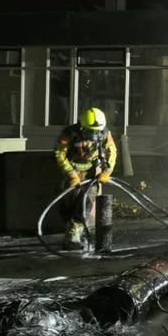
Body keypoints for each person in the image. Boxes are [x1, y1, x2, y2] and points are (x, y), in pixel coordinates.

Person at [54, 107, 118, 250]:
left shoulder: (105, 133)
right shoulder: (69, 133)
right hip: (72, 171)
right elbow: (59, 154)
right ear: (81, 126)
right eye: (89, 132)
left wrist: (106, 171)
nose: (93, 135)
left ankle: (74, 233)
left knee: (86, 202)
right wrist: (71, 174)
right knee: (68, 204)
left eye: (96, 132)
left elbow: (112, 153)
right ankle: (70, 230)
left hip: (92, 173)